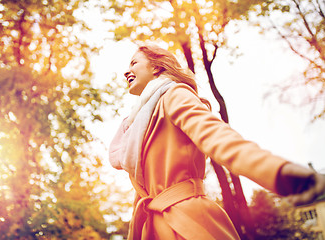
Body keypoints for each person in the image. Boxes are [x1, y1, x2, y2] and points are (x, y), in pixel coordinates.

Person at [108, 44, 325, 240]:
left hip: (187, 224)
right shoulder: (137, 126)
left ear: (156, 68)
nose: (126, 71)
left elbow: (217, 136)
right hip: (152, 229)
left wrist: (276, 172)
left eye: (134, 62)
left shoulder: (174, 94)